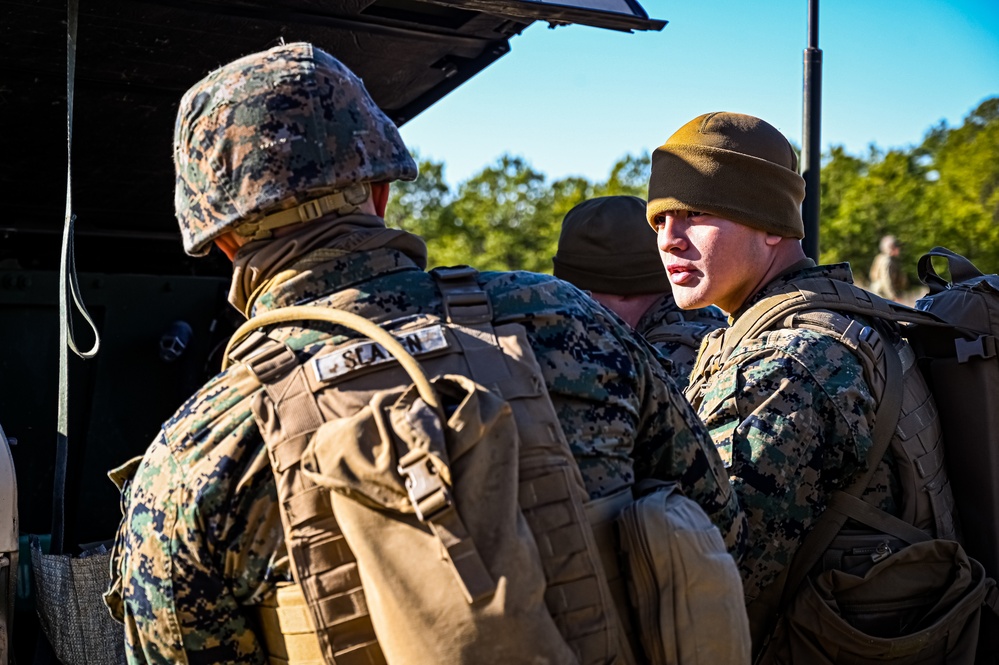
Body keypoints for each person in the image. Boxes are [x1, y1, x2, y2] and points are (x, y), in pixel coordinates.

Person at [103, 43, 745, 663]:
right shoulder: (567, 319)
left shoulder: (197, 452)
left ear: (226, 243)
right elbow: (718, 527)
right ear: (380, 192)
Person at [646, 112, 951, 652]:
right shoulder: (839, 315)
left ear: (772, 224)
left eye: (694, 214)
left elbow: (707, 580)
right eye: (659, 220)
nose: (669, 240)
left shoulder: (787, 365)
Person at [552, 195, 727, 390]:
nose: (571, 310)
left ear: (621, 292)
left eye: (578, 295)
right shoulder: (710, 321)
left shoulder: (643, 368)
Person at [868, 233, 907, 301]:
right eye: (897, 247)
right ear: (891, 248)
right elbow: (886, 280)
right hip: (882, 296)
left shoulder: (882, 258)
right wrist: (893, 297)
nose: (899, 249)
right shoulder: (887, 261)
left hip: (880, 295)